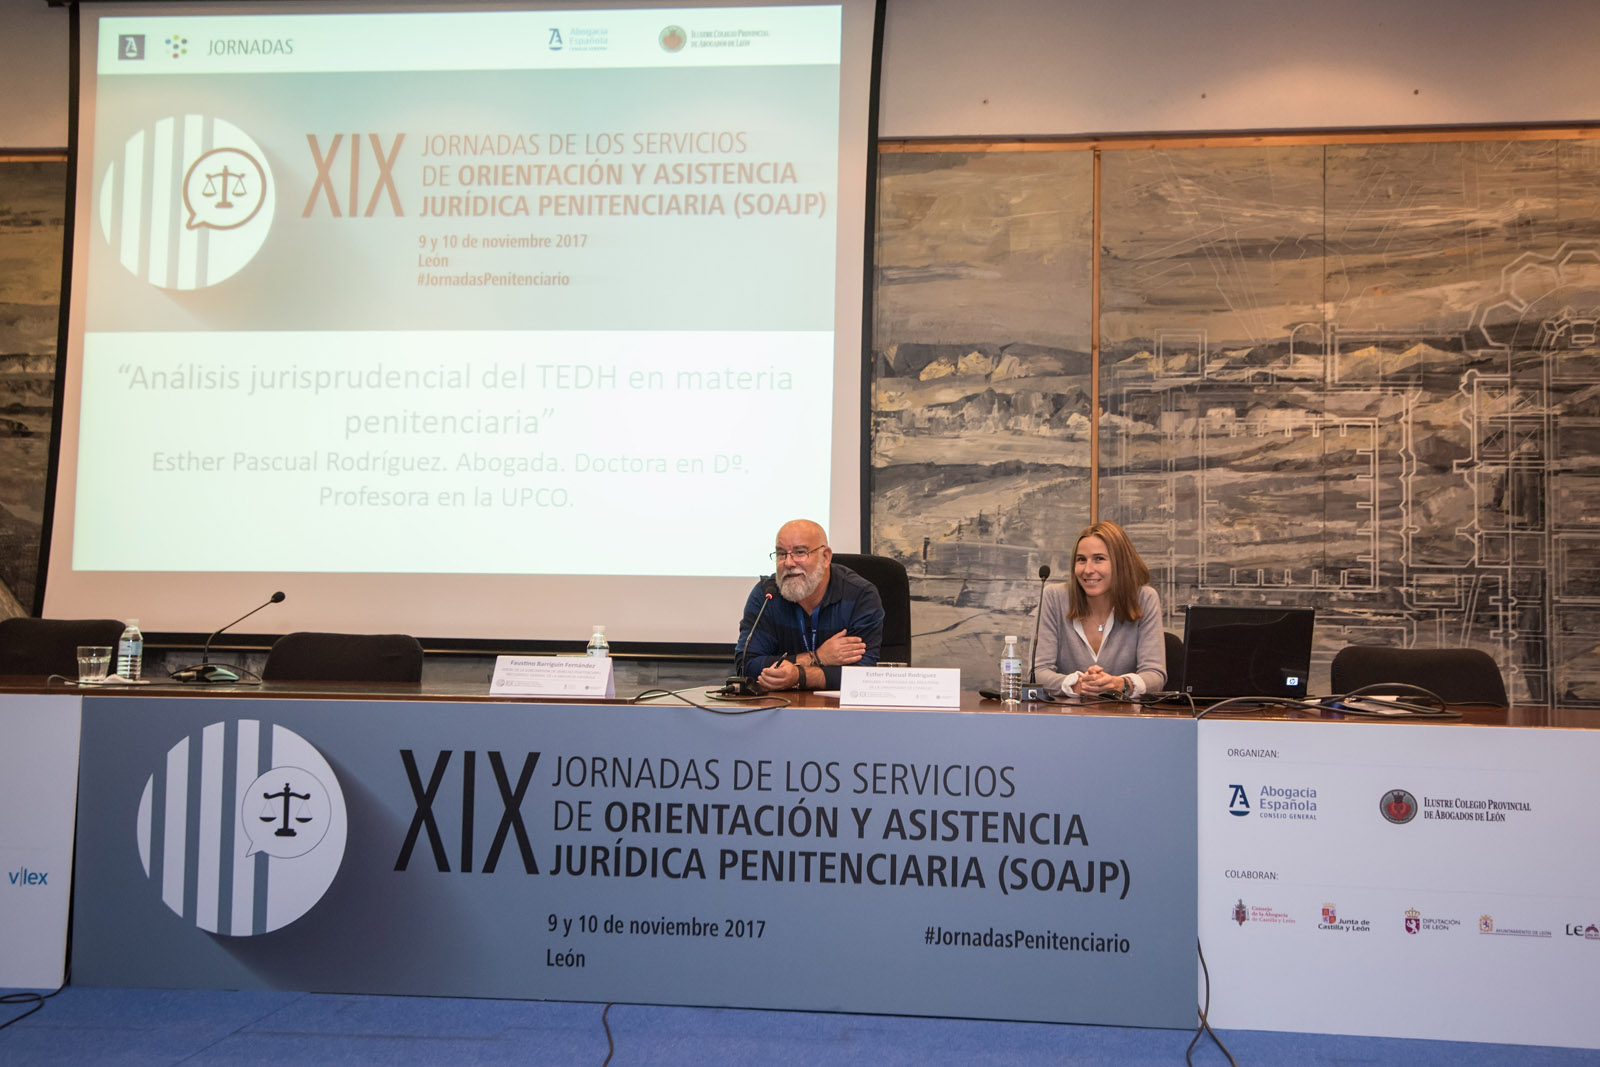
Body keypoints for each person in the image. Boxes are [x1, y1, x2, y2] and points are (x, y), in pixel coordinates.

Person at [736, 519, 885, 692]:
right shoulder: (767, 595)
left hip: (840, 707)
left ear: (825, 557)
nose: (788, 563)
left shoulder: (859, 595)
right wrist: (817, 657)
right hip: (779, 705)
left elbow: (863, 675)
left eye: (800, 552)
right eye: (781, 554)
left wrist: (800, 675)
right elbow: (747, 666)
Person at [1033, 520, 1166, 699]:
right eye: (1081, 559)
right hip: (1066, 714)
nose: (1088, 570)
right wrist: (1077, 684)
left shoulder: (1145, 599)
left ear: (1121, 563)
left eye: (1099, 559)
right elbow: (1039, 672)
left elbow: (1155, 675)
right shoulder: (1054, 597)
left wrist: (1121, 684)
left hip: (1126, 715)